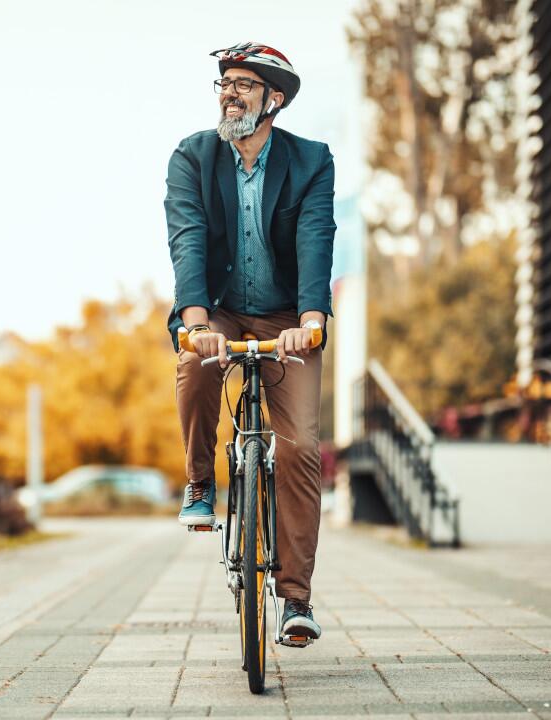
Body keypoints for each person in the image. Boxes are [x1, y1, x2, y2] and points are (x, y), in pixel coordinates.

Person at [164, 42, 335, 644]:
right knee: (196, 363)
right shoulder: (193, 156)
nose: (229, 92)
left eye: (243, 84)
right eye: (224, 83)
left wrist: (311, 318)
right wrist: (197, 321)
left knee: (297, 450)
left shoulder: (311, 161)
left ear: (274, 99)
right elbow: (186, 237)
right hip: (222, 311)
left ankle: (295, 602)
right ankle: (200, 482)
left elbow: (317, 236)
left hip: (289, 315)